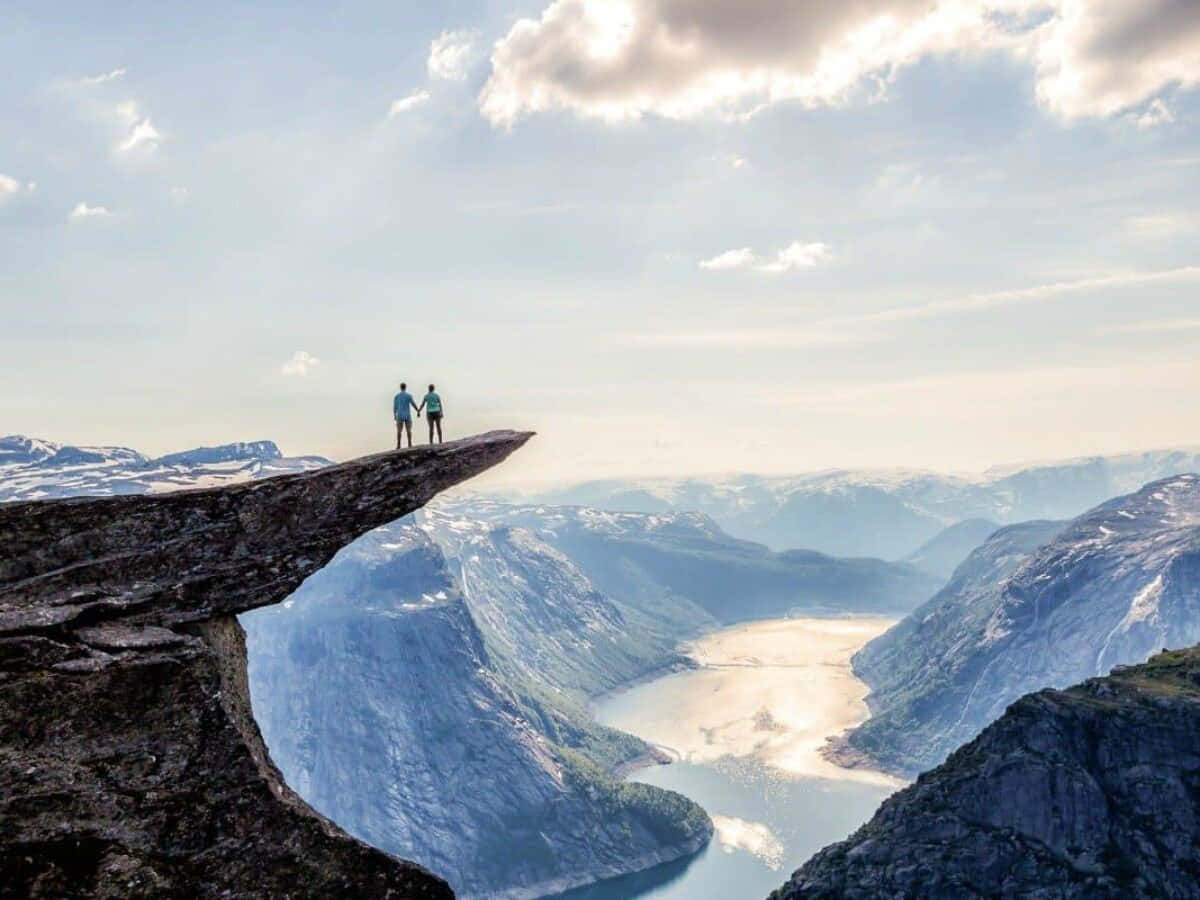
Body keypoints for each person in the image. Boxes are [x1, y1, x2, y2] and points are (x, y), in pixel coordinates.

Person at [393, 382, 420, 449]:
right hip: (407, 415)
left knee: (399, 431)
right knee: (409, 430)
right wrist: (418, 410)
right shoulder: (409, 395)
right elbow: (413, 404)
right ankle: (409, 443)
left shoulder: (397, 396)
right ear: (405, 387)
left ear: (400, 387)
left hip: (399, 414)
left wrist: (394, 415)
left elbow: (395, 407)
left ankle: (398, 445)